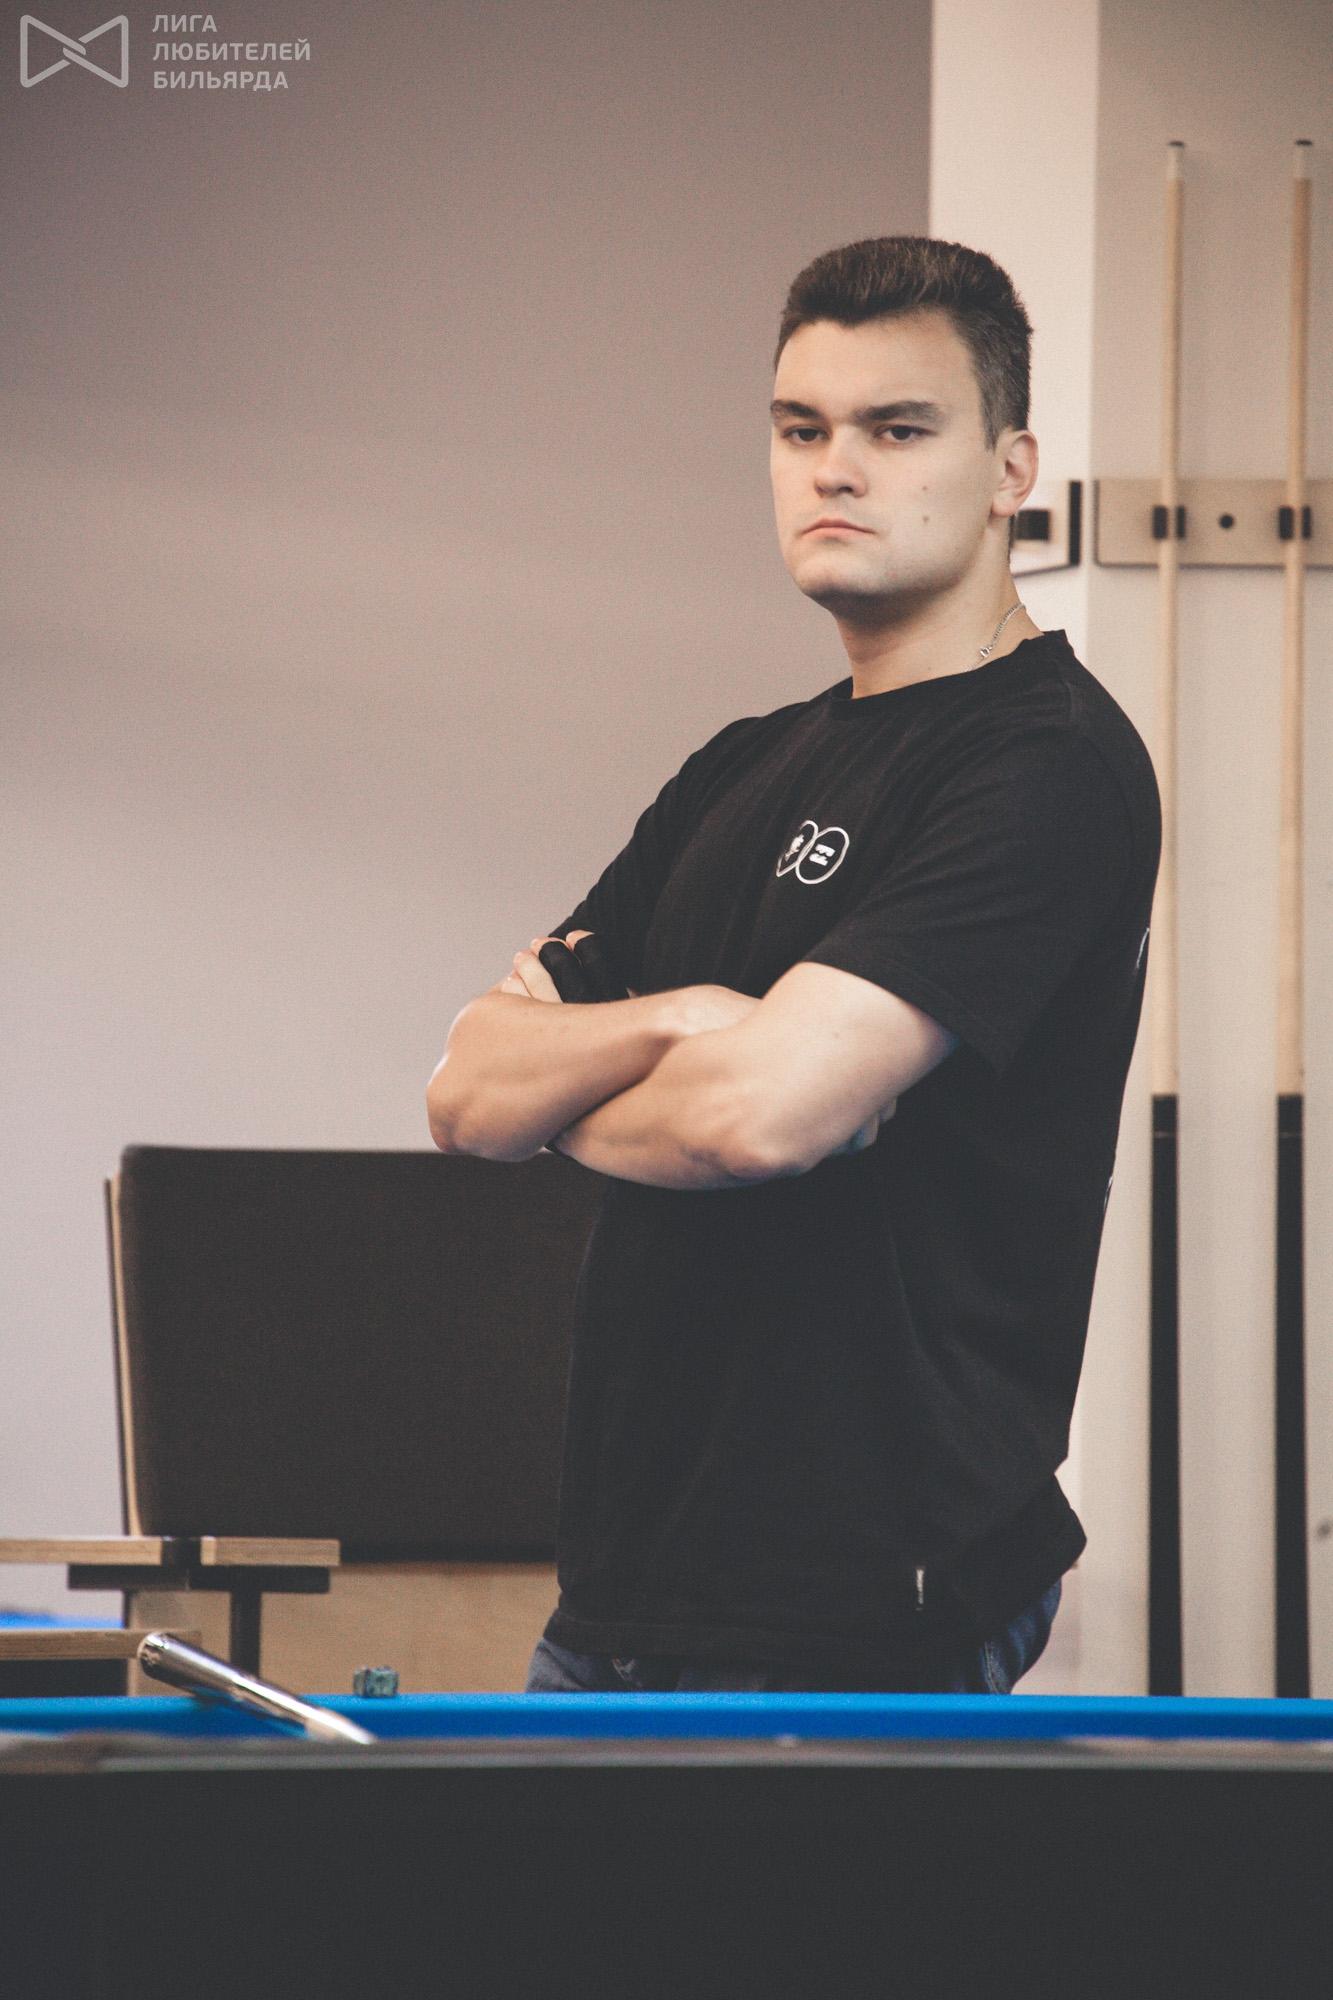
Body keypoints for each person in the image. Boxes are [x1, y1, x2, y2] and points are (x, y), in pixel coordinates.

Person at [427, 237, 1160, 1694]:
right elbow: (465, 1091)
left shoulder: (1044, 765)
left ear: (1010, 469)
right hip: (624, 1584)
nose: (836, 470)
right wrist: (691, 1022)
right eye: (801, 429)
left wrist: (588, 1085)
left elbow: (755, 1121)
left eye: (897, 431)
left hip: (858, 1596)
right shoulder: (740, 765)